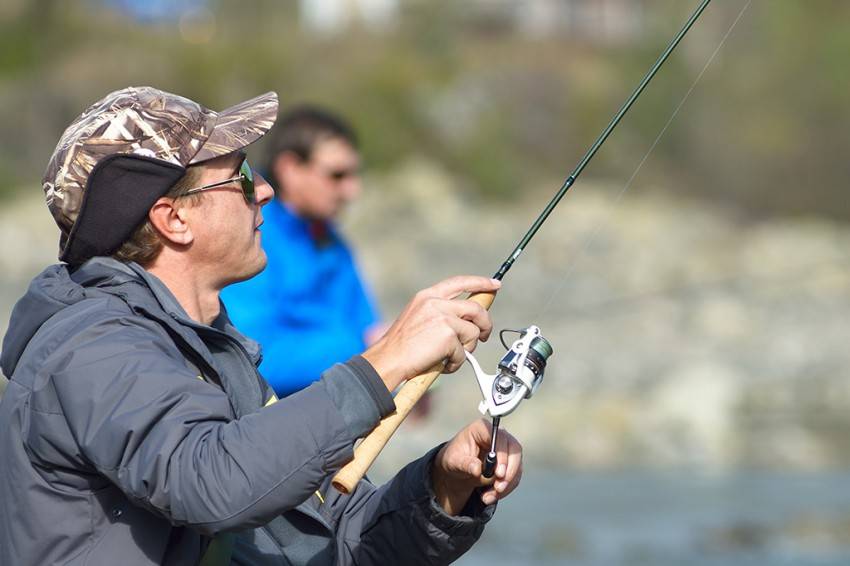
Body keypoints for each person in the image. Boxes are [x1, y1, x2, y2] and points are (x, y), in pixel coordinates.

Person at [0, 86, 522, 566]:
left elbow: (332, 540)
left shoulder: (209, 350)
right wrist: (387, 360)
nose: (267, 190)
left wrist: (445, 490)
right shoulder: (89, 343)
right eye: (243, 177)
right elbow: (210, 485)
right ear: (173, 219)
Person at [220, 106, 383, 398]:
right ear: (290, 169)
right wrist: (373, 354)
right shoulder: (249, 239)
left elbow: (366, 322)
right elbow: (252, 359)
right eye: (337, 175)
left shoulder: (332, 241)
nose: (352, 191)